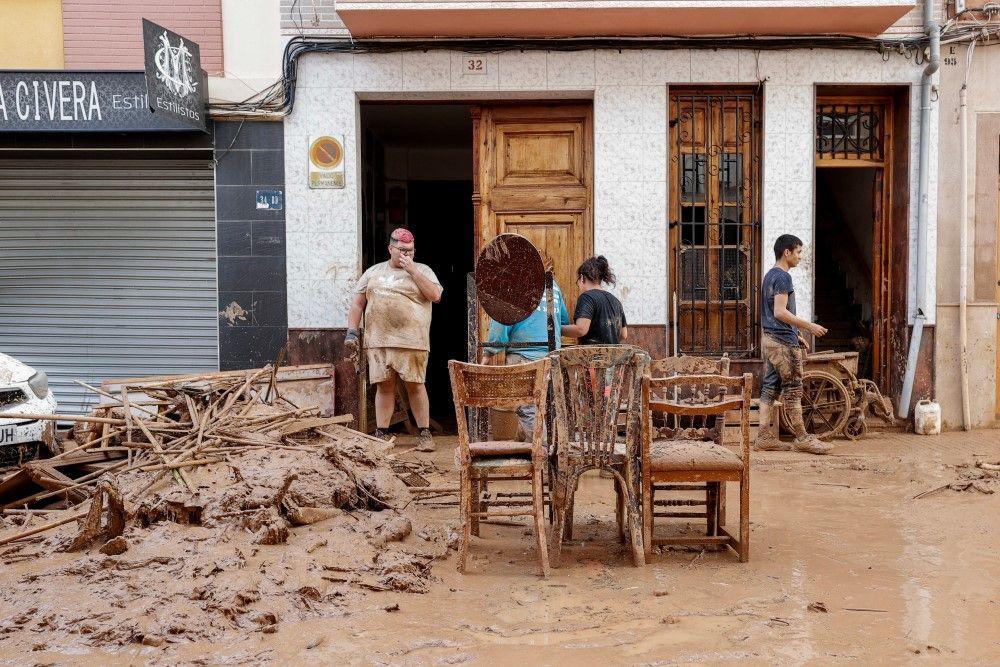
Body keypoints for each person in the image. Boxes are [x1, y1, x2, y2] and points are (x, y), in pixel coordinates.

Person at [346, 228, 442, 452]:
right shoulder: (373, 272)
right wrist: (352, 330)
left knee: (416, 386)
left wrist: (413, 271)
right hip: (378, 341)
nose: (406, 255)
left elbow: (435, 296)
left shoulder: (423, 270)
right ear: (390, 249)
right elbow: (358, 303)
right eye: (401, 250)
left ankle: (425, 434)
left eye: (410, 251)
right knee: (384, 387)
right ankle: (382, 433)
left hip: (412, 341)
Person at [754, 234, 831, 455]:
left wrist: (795, 333)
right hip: (781, 343)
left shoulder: (769, 276)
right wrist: (809, 326)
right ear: (786, 252)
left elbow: (771, 312)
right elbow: (779, 311)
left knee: (770, 387)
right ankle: (802, 438)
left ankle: (764, 438)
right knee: (794, 388)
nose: (800, 257)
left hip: (770, 339)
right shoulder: (783, 278)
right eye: (798, 252)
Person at [482, 257, 570, 440]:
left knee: (527, 408)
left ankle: (542, 456)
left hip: (524, 357)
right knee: (546, 407)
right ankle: (530, 449)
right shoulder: (551, 284)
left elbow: (500, 326)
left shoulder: (512, 285)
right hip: (552, 356)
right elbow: (562, 322)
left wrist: (488, 352)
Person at [562, 256, 628, 344]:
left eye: (577, 282)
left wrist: (556, 329)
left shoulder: (587, 297)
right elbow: (624, 334)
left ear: (582, 278)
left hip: (593, 356)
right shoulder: (615, 301)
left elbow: (581, 329)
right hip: (613, 356)